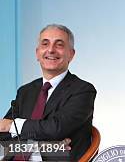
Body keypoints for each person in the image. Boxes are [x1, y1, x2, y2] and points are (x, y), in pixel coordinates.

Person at [0, 24, 96, 161]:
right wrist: (46, 147)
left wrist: (11, 125)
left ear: (71, 54)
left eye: (59, 45)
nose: (51, 50)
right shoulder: (25, 91)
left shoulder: (83, 91)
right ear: (37, 53)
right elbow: (2, 140)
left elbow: (56, 128)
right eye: (45, 44)